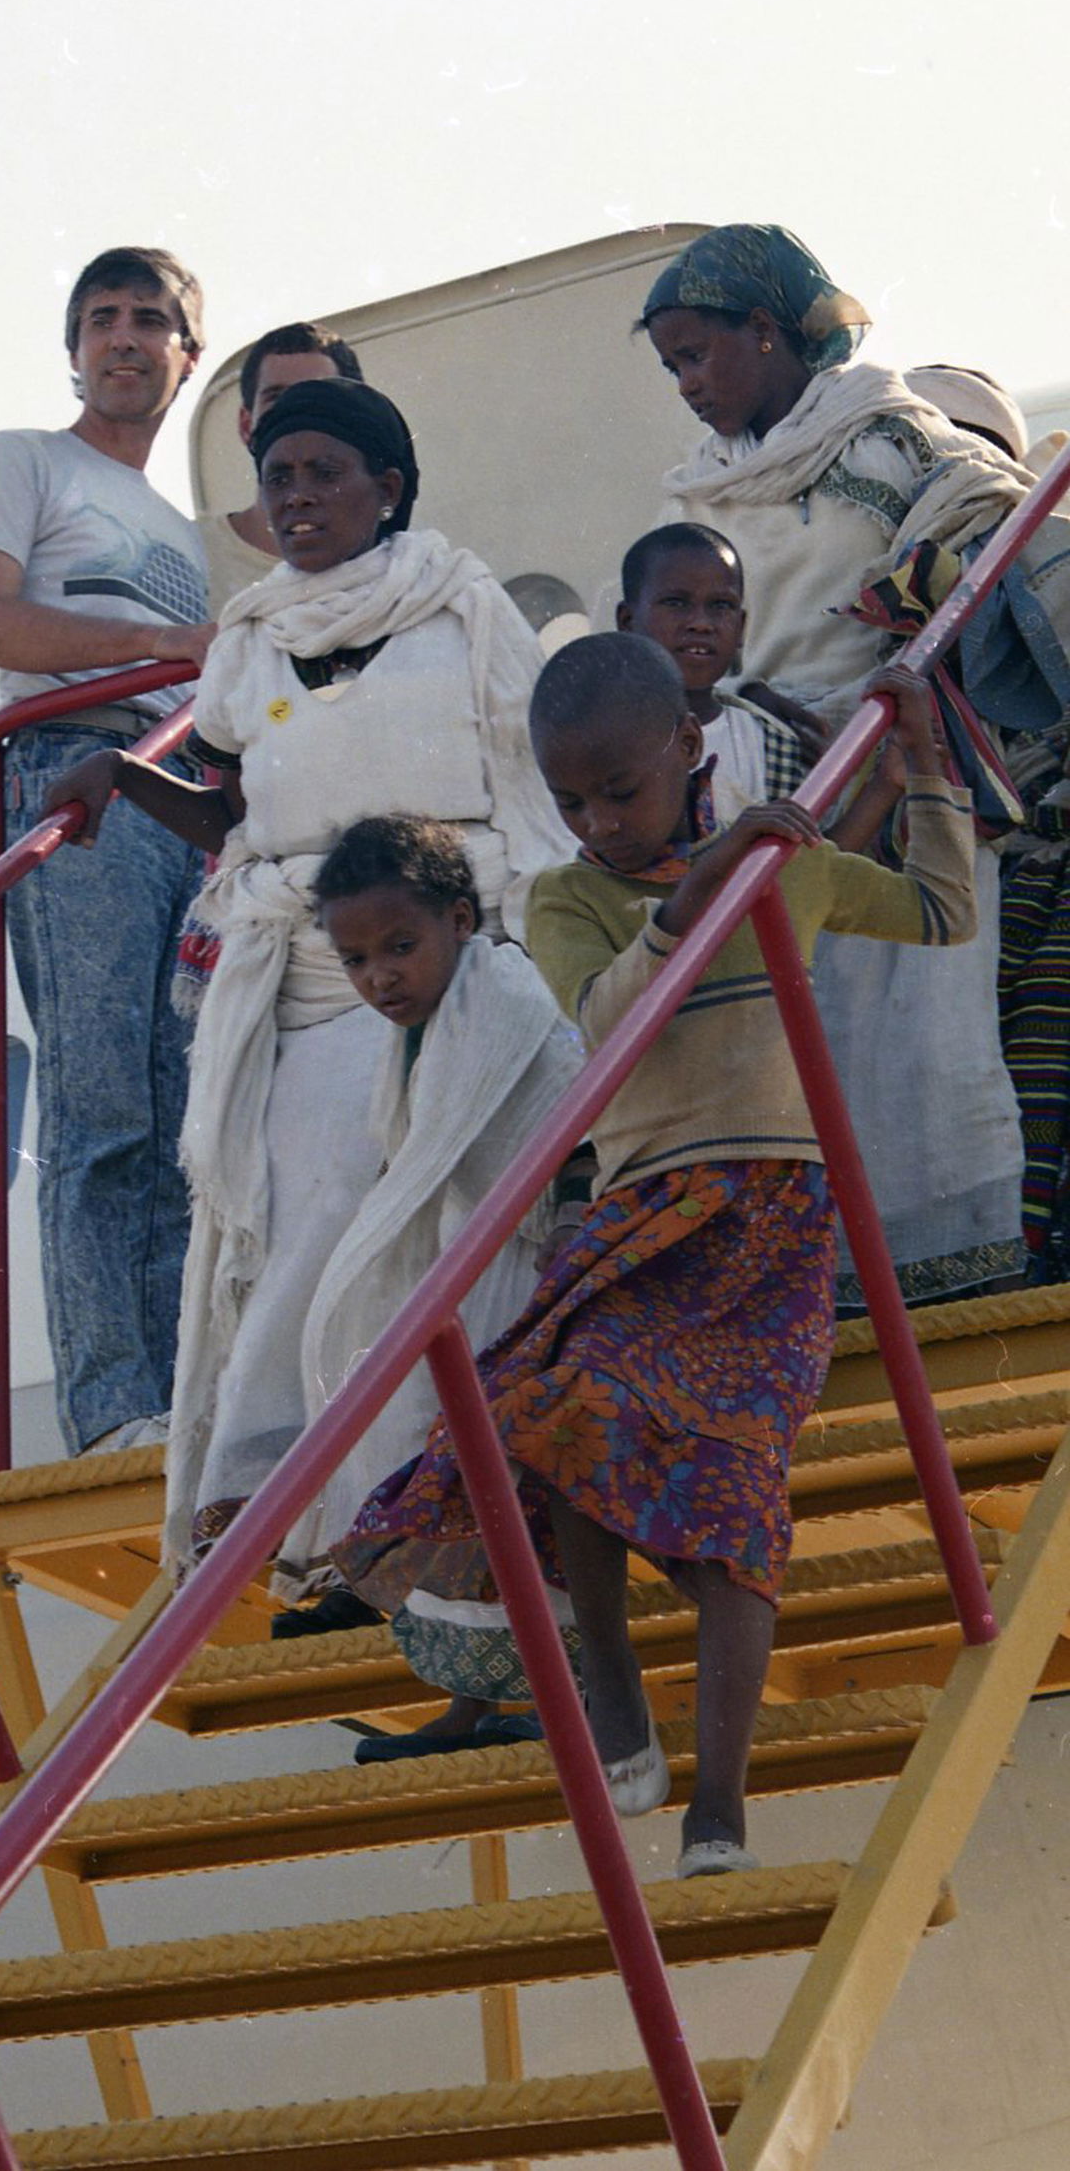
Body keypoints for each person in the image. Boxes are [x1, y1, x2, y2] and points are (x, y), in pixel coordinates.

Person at [338, 632, 978, 1876]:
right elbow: (606, 1016)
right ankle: (613, 1677)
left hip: (771, 1218)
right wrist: (697, 891)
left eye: (618, 791)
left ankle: (716, 1810)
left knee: (732, 1506)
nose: (596, 821)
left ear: (688, 747)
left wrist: (920, 766)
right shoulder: (567, 899)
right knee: (563, 1405)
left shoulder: (788, 864)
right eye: (570, 799)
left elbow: (943, 913)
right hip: (645, 1214)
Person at [40, 377, 571, 1578]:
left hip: (462, 952)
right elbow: (230, 814)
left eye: (323, 473)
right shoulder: (249, 639)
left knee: (447, 1224)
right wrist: (123, 777)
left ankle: (414, 1496)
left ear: (387, 488)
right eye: (276, 478)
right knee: (303, 1216)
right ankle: (270, 1482)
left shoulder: (462, 606)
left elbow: (529, 784)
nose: (295, 497)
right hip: (316, 969)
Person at [639, 222, 1052, 1307]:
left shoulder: (886, 437)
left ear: (766, 331)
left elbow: (993, 511)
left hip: (893, 768)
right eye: (670, 367)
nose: (686, 385)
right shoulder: (691, 494)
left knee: (917, 1050)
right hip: (758, 787)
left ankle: (944, 1283)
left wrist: (916, 605)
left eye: (698, 355)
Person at [0, 246, 214, 1456]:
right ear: (73, 349)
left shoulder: (190, 532)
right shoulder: (24, 461)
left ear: (185, 357)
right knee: (102, 1097)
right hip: (76, 771)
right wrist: (162, 644)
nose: (123, 336)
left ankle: (175, 1401)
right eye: (101, 317)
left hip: (178, 796)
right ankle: (109, 1408)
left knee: (178, 1113)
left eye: (149, 319)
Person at [263, 813, 585, 1753]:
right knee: (451, 1494)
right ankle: (472, 1703)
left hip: (525, 1278)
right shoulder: (419, 1037)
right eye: (357, 961)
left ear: (460, 920)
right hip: (465, 1282)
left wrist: (567, 1223)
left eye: (400, 948)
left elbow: (573, 1115)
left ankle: (547, 1699)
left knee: (507, 1503)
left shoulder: (506, 1002)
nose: (380, 978)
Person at [616, 521, 911, 853]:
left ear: (741, 628)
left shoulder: (770, 744)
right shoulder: (598, 731)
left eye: (721, 606)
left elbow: (809, 868)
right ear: (627, 621)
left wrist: (886, 783)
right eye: (676, 603)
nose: (701, 623)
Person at [196, 322, 363, 614]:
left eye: (318, 396)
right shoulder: (190, 552)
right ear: (246, 426)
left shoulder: (397, 568)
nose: (295, 412)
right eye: (276, 397)